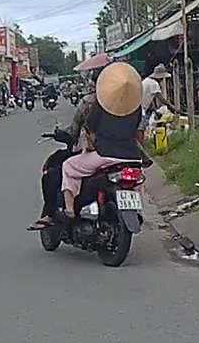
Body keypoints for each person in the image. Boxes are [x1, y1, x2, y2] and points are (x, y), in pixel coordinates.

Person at [59, 62, 146, 220]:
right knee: (137, 180)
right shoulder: (136, 107)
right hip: (133, 156)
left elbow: (90, 126)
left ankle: (69, 207)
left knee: (68, 166)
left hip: (105, 155)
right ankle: (138, 209)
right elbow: (137, 129)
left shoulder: (100, 106)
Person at [30, 71, 100, 230]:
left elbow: (75, 130)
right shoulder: (125, 102)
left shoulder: (90, 102)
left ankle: (59, 211)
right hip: (126, 154)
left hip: (98, 154)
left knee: (59, 171)